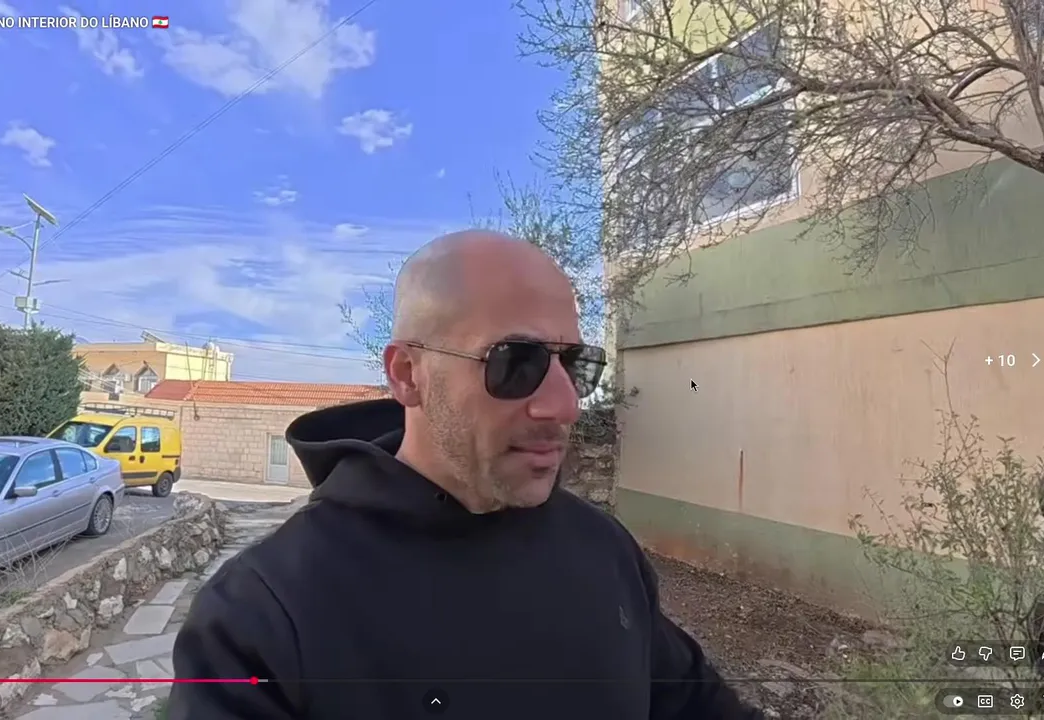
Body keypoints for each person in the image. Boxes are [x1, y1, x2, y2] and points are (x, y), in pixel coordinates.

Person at [169, 230, 762, 719]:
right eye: (517, 362)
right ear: (408, 374)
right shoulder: (262, 613)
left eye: (577, 365)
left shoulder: (602, 547)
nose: (564, 405)